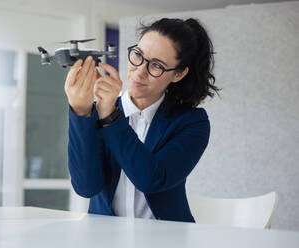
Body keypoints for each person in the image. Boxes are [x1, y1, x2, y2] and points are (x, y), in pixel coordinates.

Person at [64, 18, 220, 222]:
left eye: (157, 65)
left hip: (167, 237)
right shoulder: (94, 112)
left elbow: (150, 179)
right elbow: (86, 187)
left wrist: (110, 116)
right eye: (138, 55)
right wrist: (81, 111)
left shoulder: (192, 122)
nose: (140, 71)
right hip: (103, 237)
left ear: (178, 74)